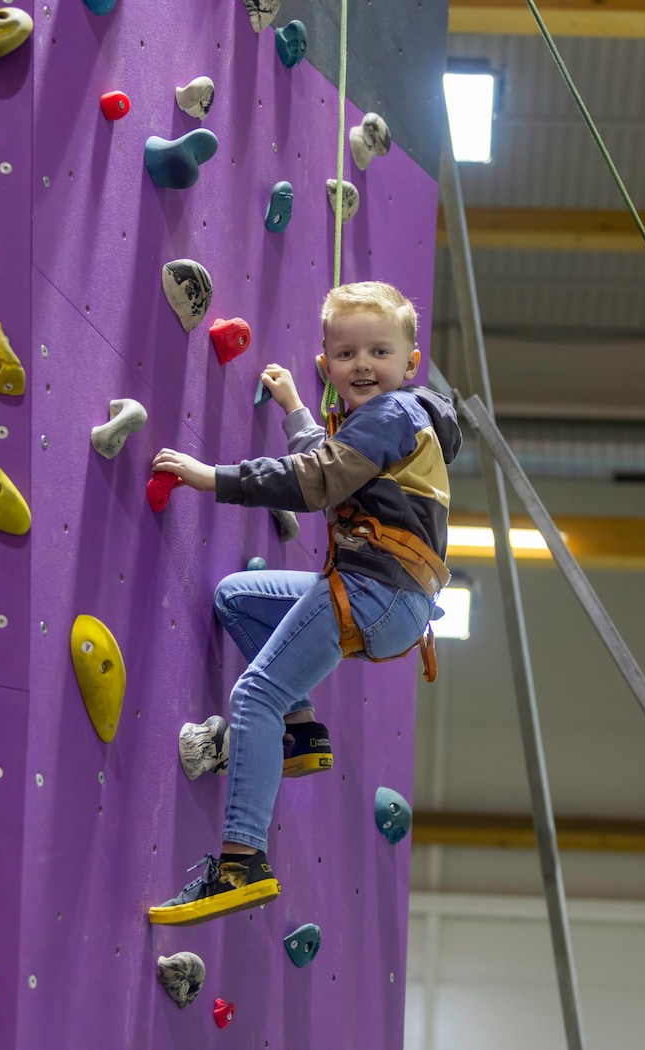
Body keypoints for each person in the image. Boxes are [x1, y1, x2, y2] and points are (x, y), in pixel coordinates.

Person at [147, 281, 461, 927]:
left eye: (379, 351)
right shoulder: (381, 422)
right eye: (346, 355)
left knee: (252, 694)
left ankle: (241, 861)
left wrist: (214, 477)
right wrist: (293, 408)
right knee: (238, 599)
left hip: (378, 590)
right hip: (391, 599)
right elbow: (331, 465)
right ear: (327, 366)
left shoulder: (398, 414)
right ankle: (300, 732)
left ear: (410, 362)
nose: (363, 364)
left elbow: (315, 481)